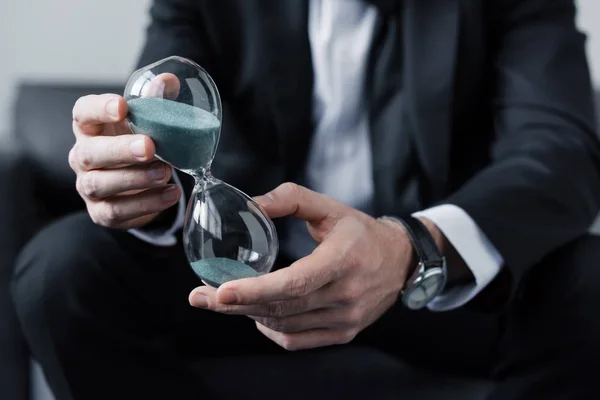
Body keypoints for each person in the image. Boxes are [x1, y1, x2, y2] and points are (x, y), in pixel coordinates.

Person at [10, 0, 600, 399]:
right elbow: (165, 121)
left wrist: (410, 248)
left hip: (426, 284)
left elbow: (557, 149)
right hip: (242, 276)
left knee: (588, 282)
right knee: (60, 268)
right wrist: (144, 178)